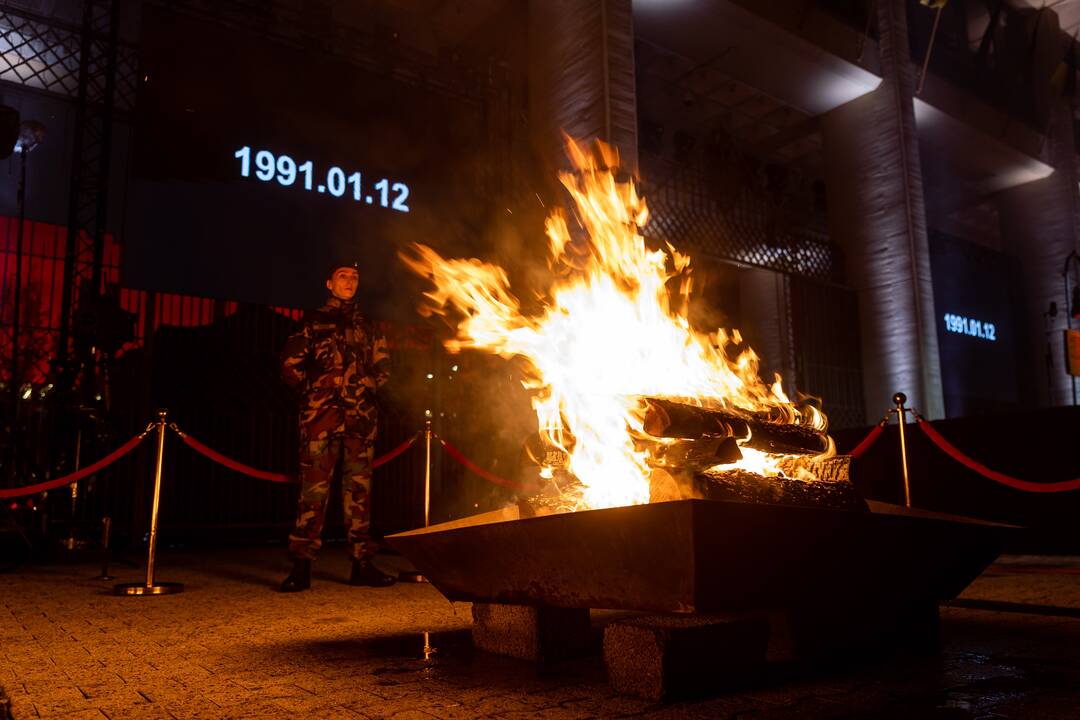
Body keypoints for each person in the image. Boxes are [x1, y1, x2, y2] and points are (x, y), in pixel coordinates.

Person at [278, 259, 396, 591]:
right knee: (312, 491)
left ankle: (362, 563)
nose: (349, 281)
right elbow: (290, 365)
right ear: (329, 283)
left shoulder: (368, 326)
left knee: (359, 492)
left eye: (355, 276)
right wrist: (316, 394)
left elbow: (384, 367)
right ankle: (301, 566)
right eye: (343, 276)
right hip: (321, 420)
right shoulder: (314, 322)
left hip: (360, 420)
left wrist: (366, 389)